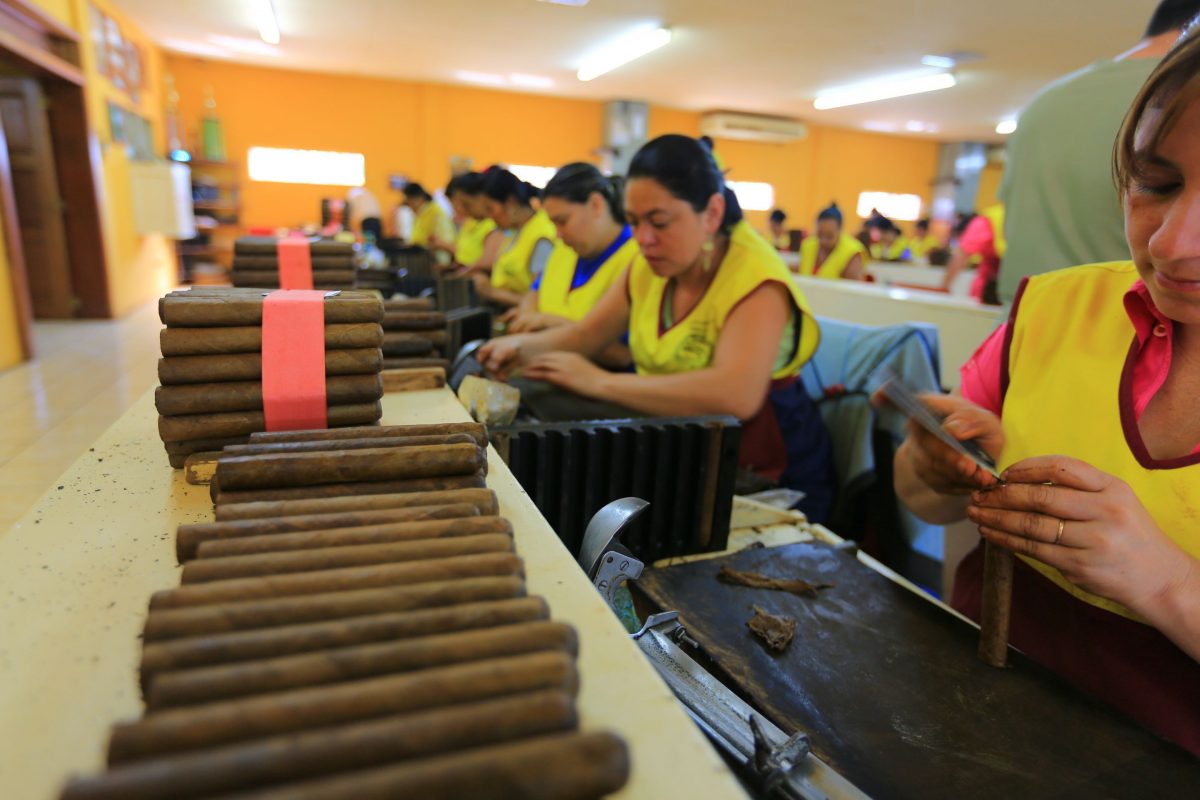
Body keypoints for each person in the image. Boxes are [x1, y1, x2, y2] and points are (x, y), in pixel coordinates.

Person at [890, 27, 1200, 755]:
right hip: (969, 700)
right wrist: (934, 467)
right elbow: (926, 498)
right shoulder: (1051, 310)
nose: (1170, 243)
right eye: (1155, 186)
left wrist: (1165, 583)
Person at [478, 135, 835, 522]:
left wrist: (599, 382)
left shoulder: (756, 280)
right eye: (633, 222)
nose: (643, 239)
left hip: (763, 469)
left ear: (712, 213)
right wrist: (519, 349)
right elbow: (585, 336)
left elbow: (736, 395)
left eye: (659, 222)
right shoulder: (650, 265)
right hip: (684, 442)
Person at [997, 0, 1200, 302]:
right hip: (1129, 328)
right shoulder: (1174, 95)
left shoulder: (1043, 103)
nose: (1170, 244)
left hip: (1020, 319)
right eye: (1157, 184)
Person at [503, 163, 638, 371]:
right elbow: (535, 292)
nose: (557, 233)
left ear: (596, 205)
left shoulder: (637, 259)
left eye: (562, 221)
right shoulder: (565, 249)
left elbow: (623, 355)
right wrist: (528, 318)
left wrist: (551, 324)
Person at [476, 167, 559, 308]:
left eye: (490, 209)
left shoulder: (541, 237)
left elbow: (543, 301)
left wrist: (492, 292)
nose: (490, 217)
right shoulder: (516, 231)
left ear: (511, 202)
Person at [430, 173, 502, 272]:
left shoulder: (495, 224)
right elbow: (462, 252)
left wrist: (459, 274)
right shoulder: (471, 221)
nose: (459, 209)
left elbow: (486, 263)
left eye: (466, 204)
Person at [943, 204, 1004, 304]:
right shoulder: (1033, 218)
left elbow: (960, 255)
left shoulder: (989, 219)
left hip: (990, 291)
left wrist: (943, 288)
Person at [797, 203, 867, 280]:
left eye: (829, 236)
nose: (823, 241)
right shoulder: (808, 245)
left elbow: (854, 288)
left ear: (840, 231)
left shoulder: (852, 252)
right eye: (819, 235)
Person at [401, 182, 456, 267]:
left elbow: (441, 242)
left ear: (417, 199)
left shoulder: (434, 213)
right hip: (424, 259)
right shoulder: (421, 213)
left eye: (409, 203)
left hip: (436, 261)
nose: (410, 207)